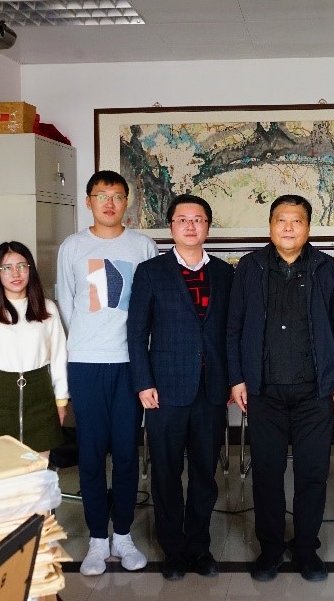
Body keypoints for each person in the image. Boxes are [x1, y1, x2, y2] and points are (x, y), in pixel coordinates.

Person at [227, 194, 334, 583]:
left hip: (315, 392)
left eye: (296, 220)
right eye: (281, 219)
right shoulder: (249, 268)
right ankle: (270, 548)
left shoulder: (326, 268)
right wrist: (237, 378)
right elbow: (233, 326)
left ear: (308, 228)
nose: (288, 227)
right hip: (264, 391)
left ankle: (306, 548)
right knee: (267, 473)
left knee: (313, 473)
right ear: (270, 226)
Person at [127, 195, 234, 581]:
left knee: (205, 473)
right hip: (165, 389)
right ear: (171, 226)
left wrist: (233, 380)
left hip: (211, 390)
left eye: (198, 219)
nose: (191, 226)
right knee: (166, 473)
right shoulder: (150, 272)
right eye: (183, 219)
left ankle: (199, 546)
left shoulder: (224, 273)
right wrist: (143, 382)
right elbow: (136, 332)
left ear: (208, 226)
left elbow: (232, 332)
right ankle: (173, 549)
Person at [56, 170, 157, 576]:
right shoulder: (73, 246)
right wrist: (87, 339)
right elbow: (66, 302)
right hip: (86, 362)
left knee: (128, 452)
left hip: (131, 363)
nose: (109, 203)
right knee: (91, 454)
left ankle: (123, 535)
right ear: (89, 202)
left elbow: (151, 305)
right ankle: (98, 539)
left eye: (117, 196)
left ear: (126, 201)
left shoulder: (143, 246)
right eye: (101, 195)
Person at [0, 241, 68, 455]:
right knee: (0, 464)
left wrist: (61, 400)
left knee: (39, 465)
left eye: (21, 266)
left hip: (40, 395)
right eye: (7, 268)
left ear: (30, 269)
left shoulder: (47, 309)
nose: (15, 273)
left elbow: (59, 358)